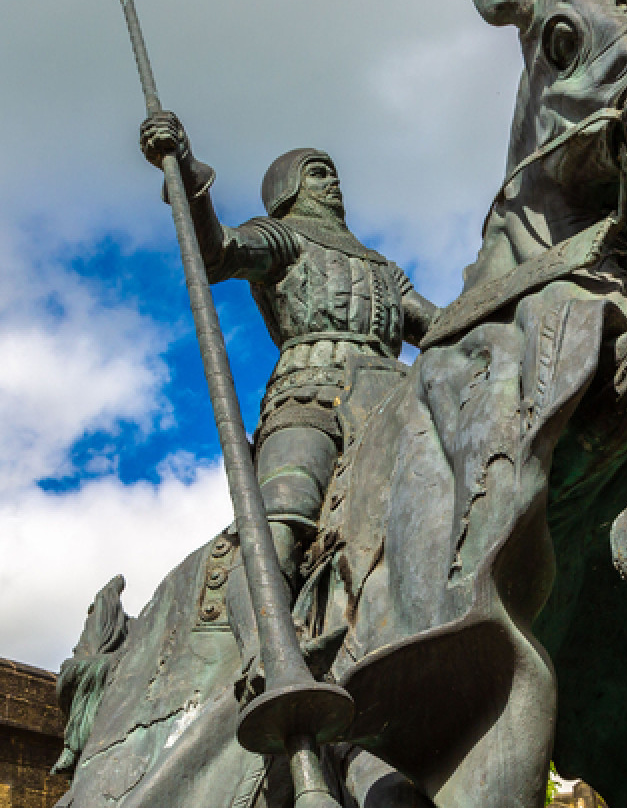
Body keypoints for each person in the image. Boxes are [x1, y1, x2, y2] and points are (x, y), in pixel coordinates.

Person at [140, 112, 437, 578]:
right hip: (310, 393)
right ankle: (261, 616)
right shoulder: (282, 237)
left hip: (393, 396)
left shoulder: (381, 267)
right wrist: (189, 172)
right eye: (317, 173)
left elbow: (438, 326)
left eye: (333, 173)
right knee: (284, 513)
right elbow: (218, 252)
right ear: (288, 188)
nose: (333, 182)